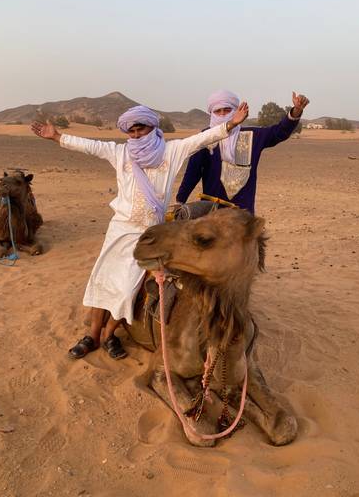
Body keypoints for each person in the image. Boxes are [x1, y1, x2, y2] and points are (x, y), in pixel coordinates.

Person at [31, 102, 249, 359]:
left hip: (149, 234)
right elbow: (91, 146)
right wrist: (57, 137)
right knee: (102, 281)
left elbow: (201, 139)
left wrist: (231, 124)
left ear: (152, 127)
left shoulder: (171, 151)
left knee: (127, 288)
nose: (136, 135)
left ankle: (108, 335)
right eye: (131, 131)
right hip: (119, 228)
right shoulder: (121, 153)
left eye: (140, 129)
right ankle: (91, 336)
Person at [176, 90, 309, 214]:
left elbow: (278, 132)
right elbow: (192, 173)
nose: (223, 114)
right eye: (218, 111)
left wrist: (296, 111)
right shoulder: (205, 138)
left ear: (235, 111)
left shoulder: (251, 136)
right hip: (212, 216)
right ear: (211, 113)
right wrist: (180, 201)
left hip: (243, 216)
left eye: (227, 110)